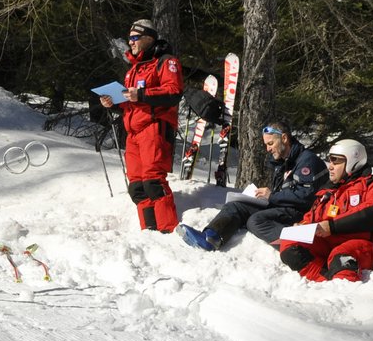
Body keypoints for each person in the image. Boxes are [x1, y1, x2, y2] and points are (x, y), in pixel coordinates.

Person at [178, 119, 326, 250]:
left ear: (284, 138)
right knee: (235, 206)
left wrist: (272, 196)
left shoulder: (307, 161)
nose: (268, 149)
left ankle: (295, 242)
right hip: (282, 207)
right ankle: (210, 238)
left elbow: (305, 197)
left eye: (270, 143)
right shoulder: (284, 161)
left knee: (256, 221)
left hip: (299, 213)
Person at [98, 19, 182, 232]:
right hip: (133, 132)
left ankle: (168, 229)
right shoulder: (132, 69)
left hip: (154, 128)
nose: (131, 42)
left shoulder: (166, 61)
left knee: (153, 182)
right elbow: (131, 102)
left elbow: (173, 92)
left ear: (149, 38)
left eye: (135, 37)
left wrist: (142, 94)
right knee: (137, 187)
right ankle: (150, 230)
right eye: (129, 38)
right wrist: (114, 102)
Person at [276, 139, 373, 282]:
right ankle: (326, 280)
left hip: (368, 249)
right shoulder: (328, 191)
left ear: (353, 161)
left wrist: (332, 226)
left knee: (341, 254)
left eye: (336, 162)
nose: (330, 167)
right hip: (331, 246)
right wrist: (303, 226)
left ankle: (345, 290)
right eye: (330, 161)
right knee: (290, 243)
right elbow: (312, 217)